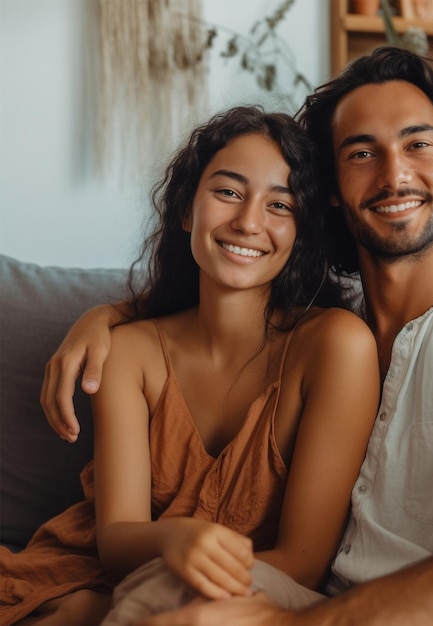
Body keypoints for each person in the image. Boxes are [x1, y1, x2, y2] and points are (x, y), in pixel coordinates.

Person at [40, 47, 433, 626]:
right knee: (172, 595)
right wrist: (111, 314)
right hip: (320, 600)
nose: (394, 173)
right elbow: (227, 295)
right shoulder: (333, 329)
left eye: (418, 145)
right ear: (329, 189)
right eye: (363, 152)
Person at [0, 106, 380, 625]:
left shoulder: (335, 346)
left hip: (239, 599)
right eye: (227, 192)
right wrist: (175, 537)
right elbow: (116, 541)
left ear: (301, 233)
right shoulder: (129, 355)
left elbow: (302, 564)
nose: (248, 221)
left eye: (280, 205)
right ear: (186, 209)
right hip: (81, 572)